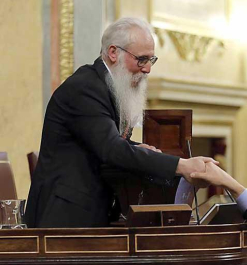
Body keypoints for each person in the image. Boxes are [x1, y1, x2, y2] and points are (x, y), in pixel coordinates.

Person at [25, 17, 214, 228]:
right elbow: (111, 149)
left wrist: (138, 149)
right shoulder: (85, 88)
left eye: (151, 60)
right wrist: (182, 166)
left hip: (92, 213)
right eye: (141, 59)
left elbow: (104, 140)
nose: (147, 69)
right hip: (64, 218)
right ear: (114, 52)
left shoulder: (110, 86)